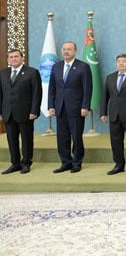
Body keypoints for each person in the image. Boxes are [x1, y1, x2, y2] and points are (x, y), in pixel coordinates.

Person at [48, 41, 92, 174]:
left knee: (76, 137)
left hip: (77, 108)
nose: (66, 51)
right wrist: (51, 105)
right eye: (64, 49)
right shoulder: (56, 67)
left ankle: (77, 163)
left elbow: (87, 89)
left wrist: (85, 106)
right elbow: (52, 88)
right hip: (60, 107)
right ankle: (65, 162)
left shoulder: (83, 67)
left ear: (75, 51)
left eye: (69, 49)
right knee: (62, 138)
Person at [0, 49, 41, 174]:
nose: (14, 59)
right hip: (8, 113)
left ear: (22, 58)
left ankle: (26, 163)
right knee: (11, 140)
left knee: (26, 139)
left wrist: (34, 111)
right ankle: (15, 163)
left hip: (26, 113)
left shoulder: (32, 72)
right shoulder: (3, 73)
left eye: (16, 56)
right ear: (8, 60)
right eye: (11, 57)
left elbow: (37, 93)